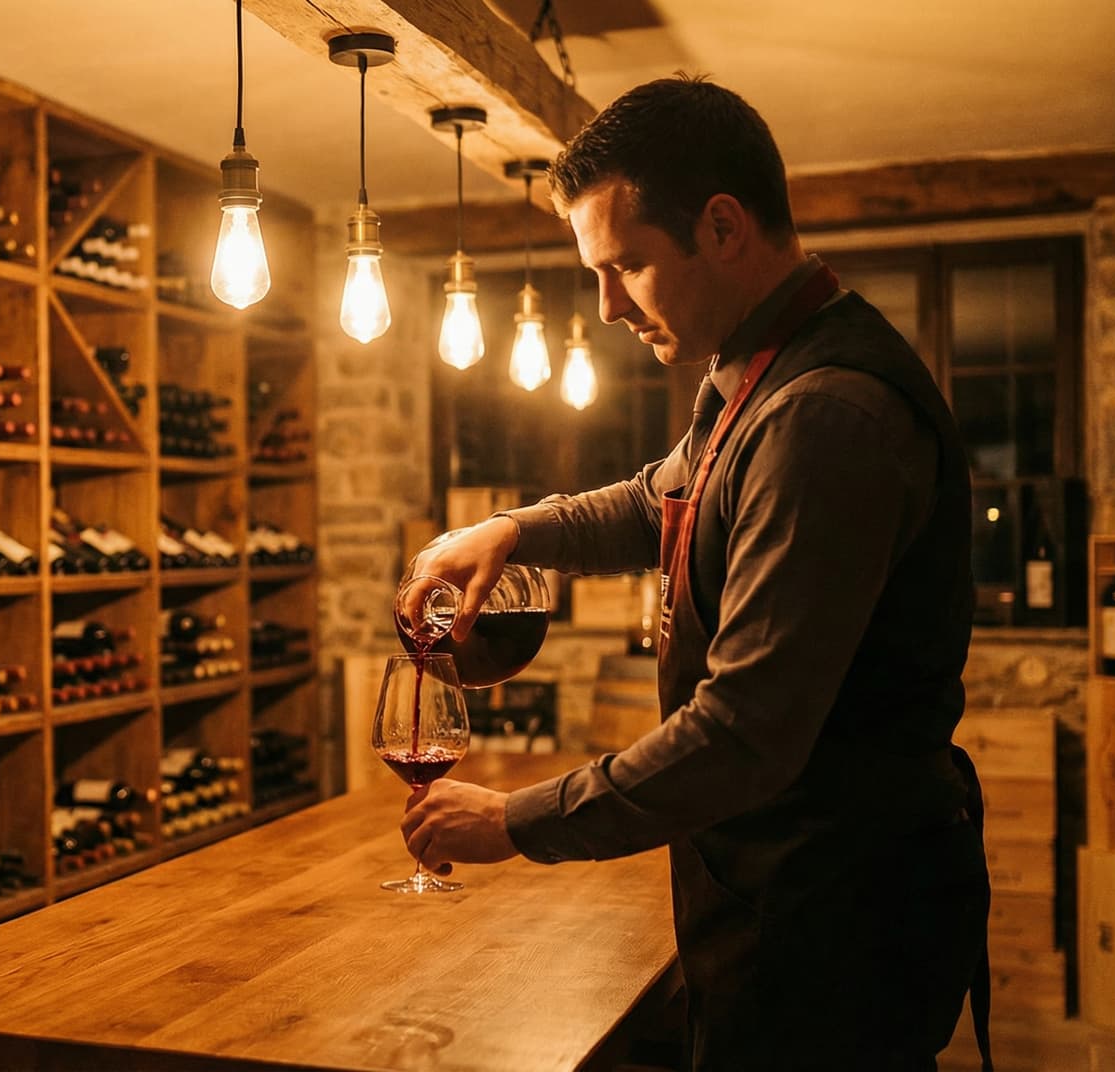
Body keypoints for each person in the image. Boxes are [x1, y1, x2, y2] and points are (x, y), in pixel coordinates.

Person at [398, 76, 990, 1071]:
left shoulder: (824, 414)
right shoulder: (755, 370)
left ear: (722, 226)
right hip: (782, 897)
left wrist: (513, 821)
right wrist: (513, 528)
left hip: (832, 929)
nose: (606, 306)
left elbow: (743, 734)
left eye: (626, 265)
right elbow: (660, 498)